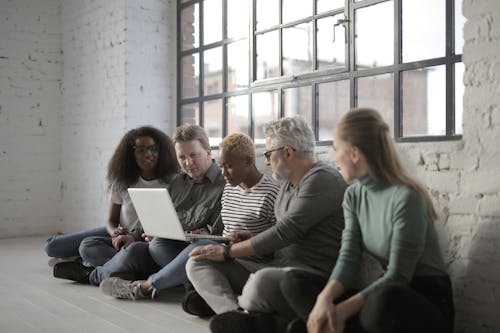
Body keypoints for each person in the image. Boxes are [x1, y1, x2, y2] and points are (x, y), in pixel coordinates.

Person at [185, 116, 347, 333]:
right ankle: (237, 315)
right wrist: (250, 237)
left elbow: (287, 231)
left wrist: (228, 252)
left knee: (259, 282)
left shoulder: (322, 179)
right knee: (197, 261)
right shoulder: (287, 184)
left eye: (269, 154)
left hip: (307, 277)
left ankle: (251, 315)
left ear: (288, 152)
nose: (267, 161)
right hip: (277, 266)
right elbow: (280, 232)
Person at [306, 108, 454, 333]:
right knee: (295, 284)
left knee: (380, 302)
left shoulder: (406, 197)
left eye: (337, 149)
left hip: (421, 299)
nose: (335, 158)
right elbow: (348, 258)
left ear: (354, 154)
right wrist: (323, 300)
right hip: (384, 296)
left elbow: (398, 276)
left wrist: (341, 311)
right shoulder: (353, 195)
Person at [99, 132, 280, 302]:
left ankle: (144, 287)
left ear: (248, 161)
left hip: (243, 260)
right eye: (222, 166)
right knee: (156, 244)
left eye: (229, 166)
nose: (224, 173)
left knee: (198, 249)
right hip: (222, 250)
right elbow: (222, 231)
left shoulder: (272, 193)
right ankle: (193, 290)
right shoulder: (229, 189)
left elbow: (278, 241)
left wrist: (234, 243)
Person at [51, 124, 226, 287]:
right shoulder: (178, 182)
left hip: (188, 252)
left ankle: (93, 275)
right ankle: (143, 273)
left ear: (209, 152)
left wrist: (195, 234)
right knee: (133, 248)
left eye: (194, 155)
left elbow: (218, 234)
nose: (188, 163)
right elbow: (159, 217)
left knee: (157, 245)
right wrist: (135, 236)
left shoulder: (223, 185)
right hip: (164, 246)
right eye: (182, 157)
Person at [47, 126, 178, 275]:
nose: (149, 154)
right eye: (140, 150)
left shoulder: (172, 181)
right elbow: (111, 220)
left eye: (153, 149)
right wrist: (114, 232)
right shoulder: (123, 181)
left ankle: (92, 265)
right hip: (120, 234)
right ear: (131, 154)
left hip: (142, 240)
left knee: (88, 248)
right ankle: (98, 263)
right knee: (53, 247)